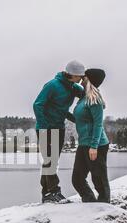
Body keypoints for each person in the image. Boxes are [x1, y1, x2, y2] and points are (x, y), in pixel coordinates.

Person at [33, 60, 85, 203]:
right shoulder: (52, 85)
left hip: (59, 127)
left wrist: (78, 118)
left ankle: (46, 194)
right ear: (72, 75)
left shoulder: (73, 87)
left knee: (52, 161)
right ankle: (54, 191)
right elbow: (37, 105)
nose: (81, 79)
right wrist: (44, 126)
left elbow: (86, 93)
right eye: (80, 76)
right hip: (45, 128)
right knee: (49, 160)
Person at [72, 68, 110, 203]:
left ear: (90, 80)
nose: (81, 80)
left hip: (97, 145)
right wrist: (61, 112)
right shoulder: (83, 98)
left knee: (99, 178)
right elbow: (80, 119)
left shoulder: (95, 99)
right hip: (83, 143)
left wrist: (94, 146)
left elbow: (98, 124)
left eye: (84, 78)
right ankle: (91, 203)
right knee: (77, 179)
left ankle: (105, 205)